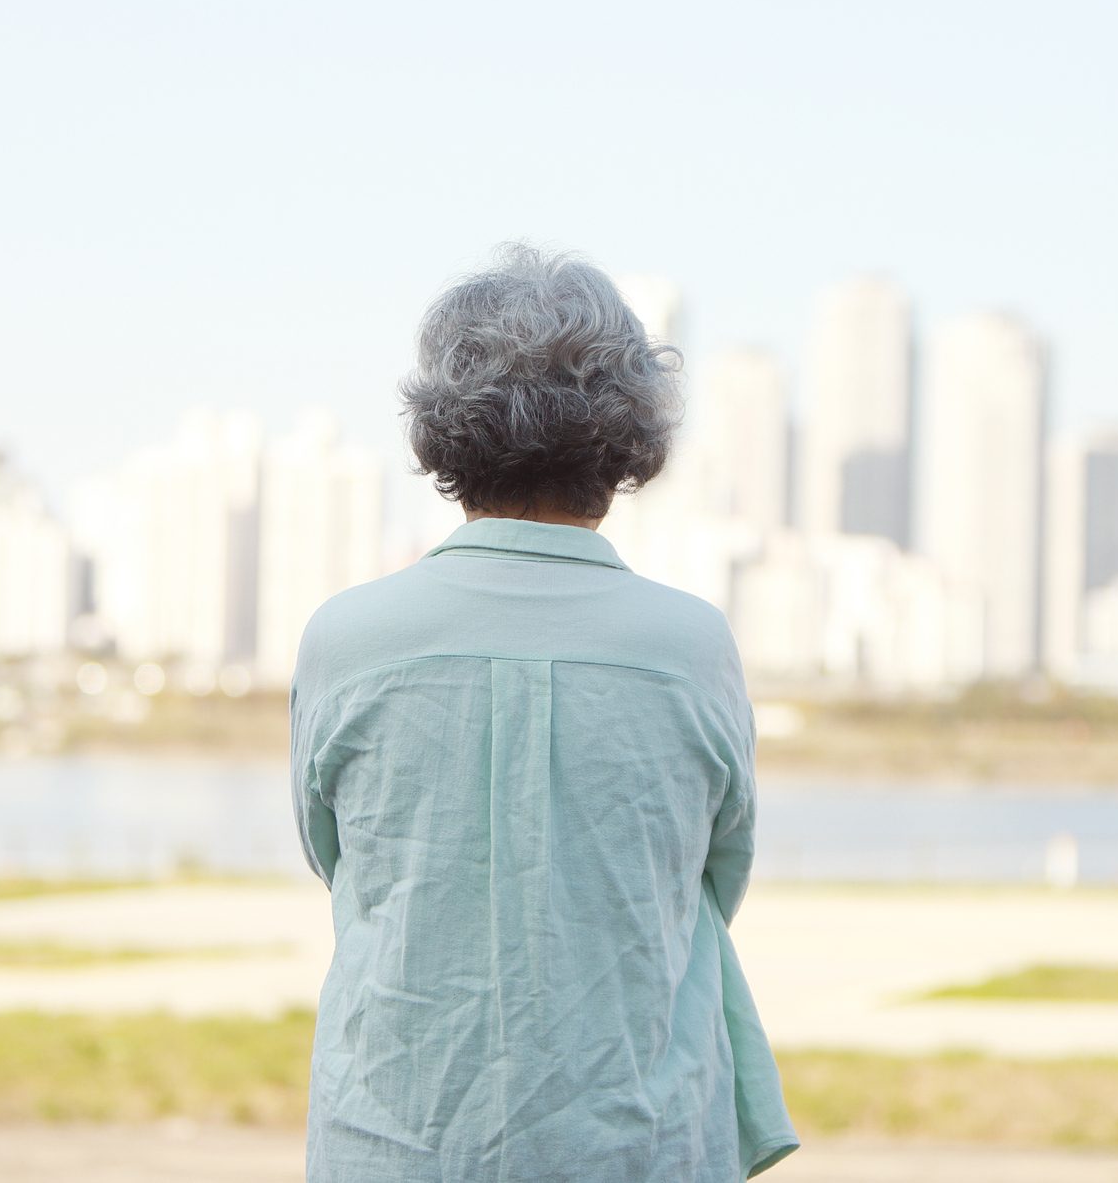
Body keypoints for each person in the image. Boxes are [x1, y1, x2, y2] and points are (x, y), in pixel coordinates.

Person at [289, 243, 799, 1181]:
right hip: (636, 1137)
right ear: (630, 442)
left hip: (394, 1140)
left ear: (440, 432)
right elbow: (713, 874)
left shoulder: (347, 637)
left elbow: (338, 863)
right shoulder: (689, 644)